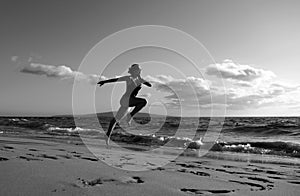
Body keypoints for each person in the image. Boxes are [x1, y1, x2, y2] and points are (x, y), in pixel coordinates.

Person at [97, 64, 152, 145]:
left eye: (139, 70)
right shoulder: (128, 78)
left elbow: (149, 85)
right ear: (132, 70)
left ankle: (107, 136)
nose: (138, 71)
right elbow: (115, 80)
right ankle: (130, 116)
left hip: (129, 102)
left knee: (115, 120)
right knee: (143, 101)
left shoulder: (140, 80)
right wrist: (104, 81)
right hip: (126, 99)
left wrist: (140, 78)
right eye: (136, 70)